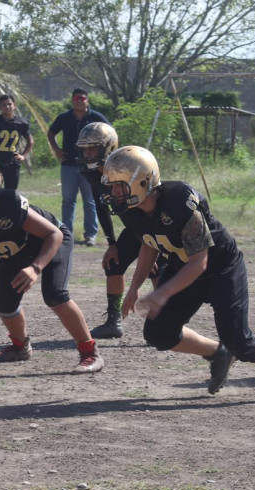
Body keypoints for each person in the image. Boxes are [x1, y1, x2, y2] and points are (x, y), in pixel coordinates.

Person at [104, 146, 255, 402]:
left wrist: (161, 293)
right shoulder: (133, 210)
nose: (114, 192)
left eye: (120, 186)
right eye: (112, 186)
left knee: (238, 340)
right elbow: (148, 242)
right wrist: (134, 287)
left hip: (221, 268)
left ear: (144, 181)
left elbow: (200, 262)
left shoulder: (179, 202)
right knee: (158, 332)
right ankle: (217, 353)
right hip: (184, 269)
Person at [0, 173, 103, 373]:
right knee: (4, 302)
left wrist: (35, 268)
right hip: (16, 251)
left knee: (55, 295)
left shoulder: (3, 205)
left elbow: (53, 234)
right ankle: (21, 347)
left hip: (48, 240)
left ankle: (90, 352)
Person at [75, 122, 167, 339]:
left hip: (152, 223)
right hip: (134, 226)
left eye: (93, 148)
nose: (87, 153)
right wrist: (111, 243)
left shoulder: (125, 166)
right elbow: (101, 203)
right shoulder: (92, 173)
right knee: (114, 263)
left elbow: (147, 204)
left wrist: (150, 243)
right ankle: (114, 321)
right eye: (85, 148)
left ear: (107, 147)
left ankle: (165, 321)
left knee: (157, 268)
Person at [48, 88, 110, 246]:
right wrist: (56, 150)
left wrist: (103, 155)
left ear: (87, 100)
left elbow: (110, 132)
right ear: (72, 101)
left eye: (82, 98)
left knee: (90, 200)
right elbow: (51, 133)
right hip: (68, 164)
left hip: (90, 165)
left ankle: (90, 235)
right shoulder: (64, 117)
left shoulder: (95, 117)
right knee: (68, 200)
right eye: (76, 98)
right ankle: (66, 233)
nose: (79, 101)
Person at [0, 94, 33, 190]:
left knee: (10, 193)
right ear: (0, 107)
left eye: (9, 104)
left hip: (12, 163)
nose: (7, 107)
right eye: (4, 105)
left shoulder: (21, 123)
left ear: (14, 105)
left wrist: (23, 155)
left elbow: (30, 141)